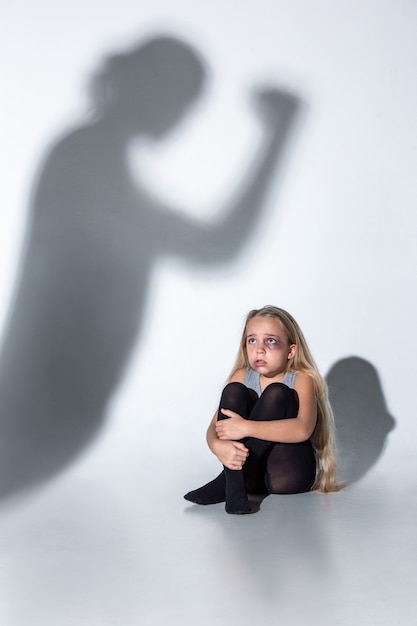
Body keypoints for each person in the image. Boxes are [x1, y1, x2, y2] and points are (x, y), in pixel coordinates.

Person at [184, 305, 341, 514]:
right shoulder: (241, 376)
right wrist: (216, 446)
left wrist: (246, 428)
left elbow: (303, 429)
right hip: (250, 477)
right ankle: (232, 483)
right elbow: (215, 426)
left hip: (286, 474)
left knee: (278, 393)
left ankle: (225, 481)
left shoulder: (301, 379)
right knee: (233, 391)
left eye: (271, 341)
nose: (259, 349)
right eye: (252, 340)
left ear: (291, 350)